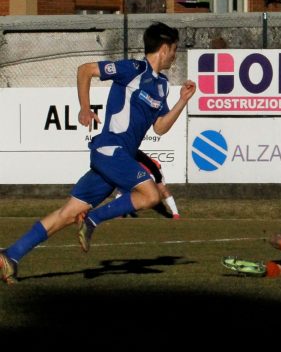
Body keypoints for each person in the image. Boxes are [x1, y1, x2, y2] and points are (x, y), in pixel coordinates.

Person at [0, 22, 196, 285]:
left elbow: (160, 128)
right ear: (164, 48)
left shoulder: (161, 85)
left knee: (68, 214)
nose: (175, 54)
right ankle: (94, 218)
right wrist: (84, 107)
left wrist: (183, 100)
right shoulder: (133, 69)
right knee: (150, 195)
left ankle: (11, 255)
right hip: (109, 149)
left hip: (117, 159)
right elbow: (85, 70)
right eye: (174, 49)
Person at [117, 150, 181, 220]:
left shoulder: (133, 154)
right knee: (123, 190)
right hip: (139, 171)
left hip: (154, 170)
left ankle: (176, 214)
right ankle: (119, 213)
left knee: (163, 190)